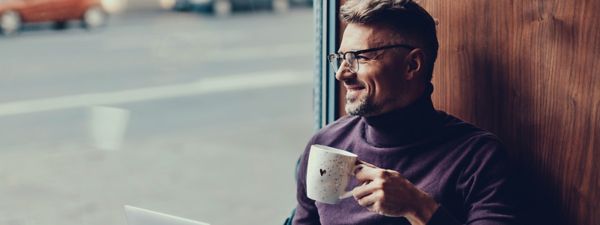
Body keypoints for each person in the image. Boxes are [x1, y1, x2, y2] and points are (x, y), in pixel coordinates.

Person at [292, 0, 518, 225]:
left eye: (359, 57)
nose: (341, 74)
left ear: (412, 65)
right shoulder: (327, 143)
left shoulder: (477, 157)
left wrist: (417, 207)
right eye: (341, 59)